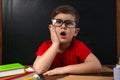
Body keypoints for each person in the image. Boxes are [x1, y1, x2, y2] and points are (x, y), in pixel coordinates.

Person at [33, 5, 102, 75]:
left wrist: (63, 69)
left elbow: (97, 66)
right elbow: (38, 70)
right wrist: (55, 44)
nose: (63, 26)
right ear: (51, 28)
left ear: (75, 32)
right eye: (58, 22)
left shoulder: (77, 46)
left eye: (69, 23)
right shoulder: (46, 46)